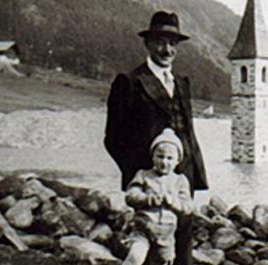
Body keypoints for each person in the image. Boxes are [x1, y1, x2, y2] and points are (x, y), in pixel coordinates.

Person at [104, 11, 208, 265]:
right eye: (161, 42)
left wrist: (194, 175)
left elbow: (188, 133)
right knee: (149, 248)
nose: (167, 49)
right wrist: (141, 175)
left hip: (183, 181)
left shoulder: (182, 83)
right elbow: (112, 138)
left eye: (173, 44)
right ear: (147, 43)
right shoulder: (129, 82)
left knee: (182, 249)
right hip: (150, 183)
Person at [123, 128, 193, 265]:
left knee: (163, 261)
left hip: (166, 234)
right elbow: (130, 195)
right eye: (160, 156)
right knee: (135, 258)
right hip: (143, 229)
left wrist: (173, 202)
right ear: (152, 157)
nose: (164, 162)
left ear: (177, 161)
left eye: (169, 158)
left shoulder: (180, 180)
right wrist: (147, 199)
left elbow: (188, 206)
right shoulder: (143, 175)